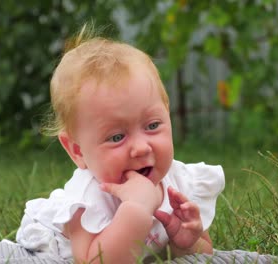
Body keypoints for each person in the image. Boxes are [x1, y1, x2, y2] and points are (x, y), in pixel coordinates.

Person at [15, 26, 225, 263]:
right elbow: (93, 261)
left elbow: (206, 253)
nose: (141, 148)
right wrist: (136, 209)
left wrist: (184, 243)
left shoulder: (178, 183)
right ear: (77, 151)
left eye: (153, 125)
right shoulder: (87, 200)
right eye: (116, 137)